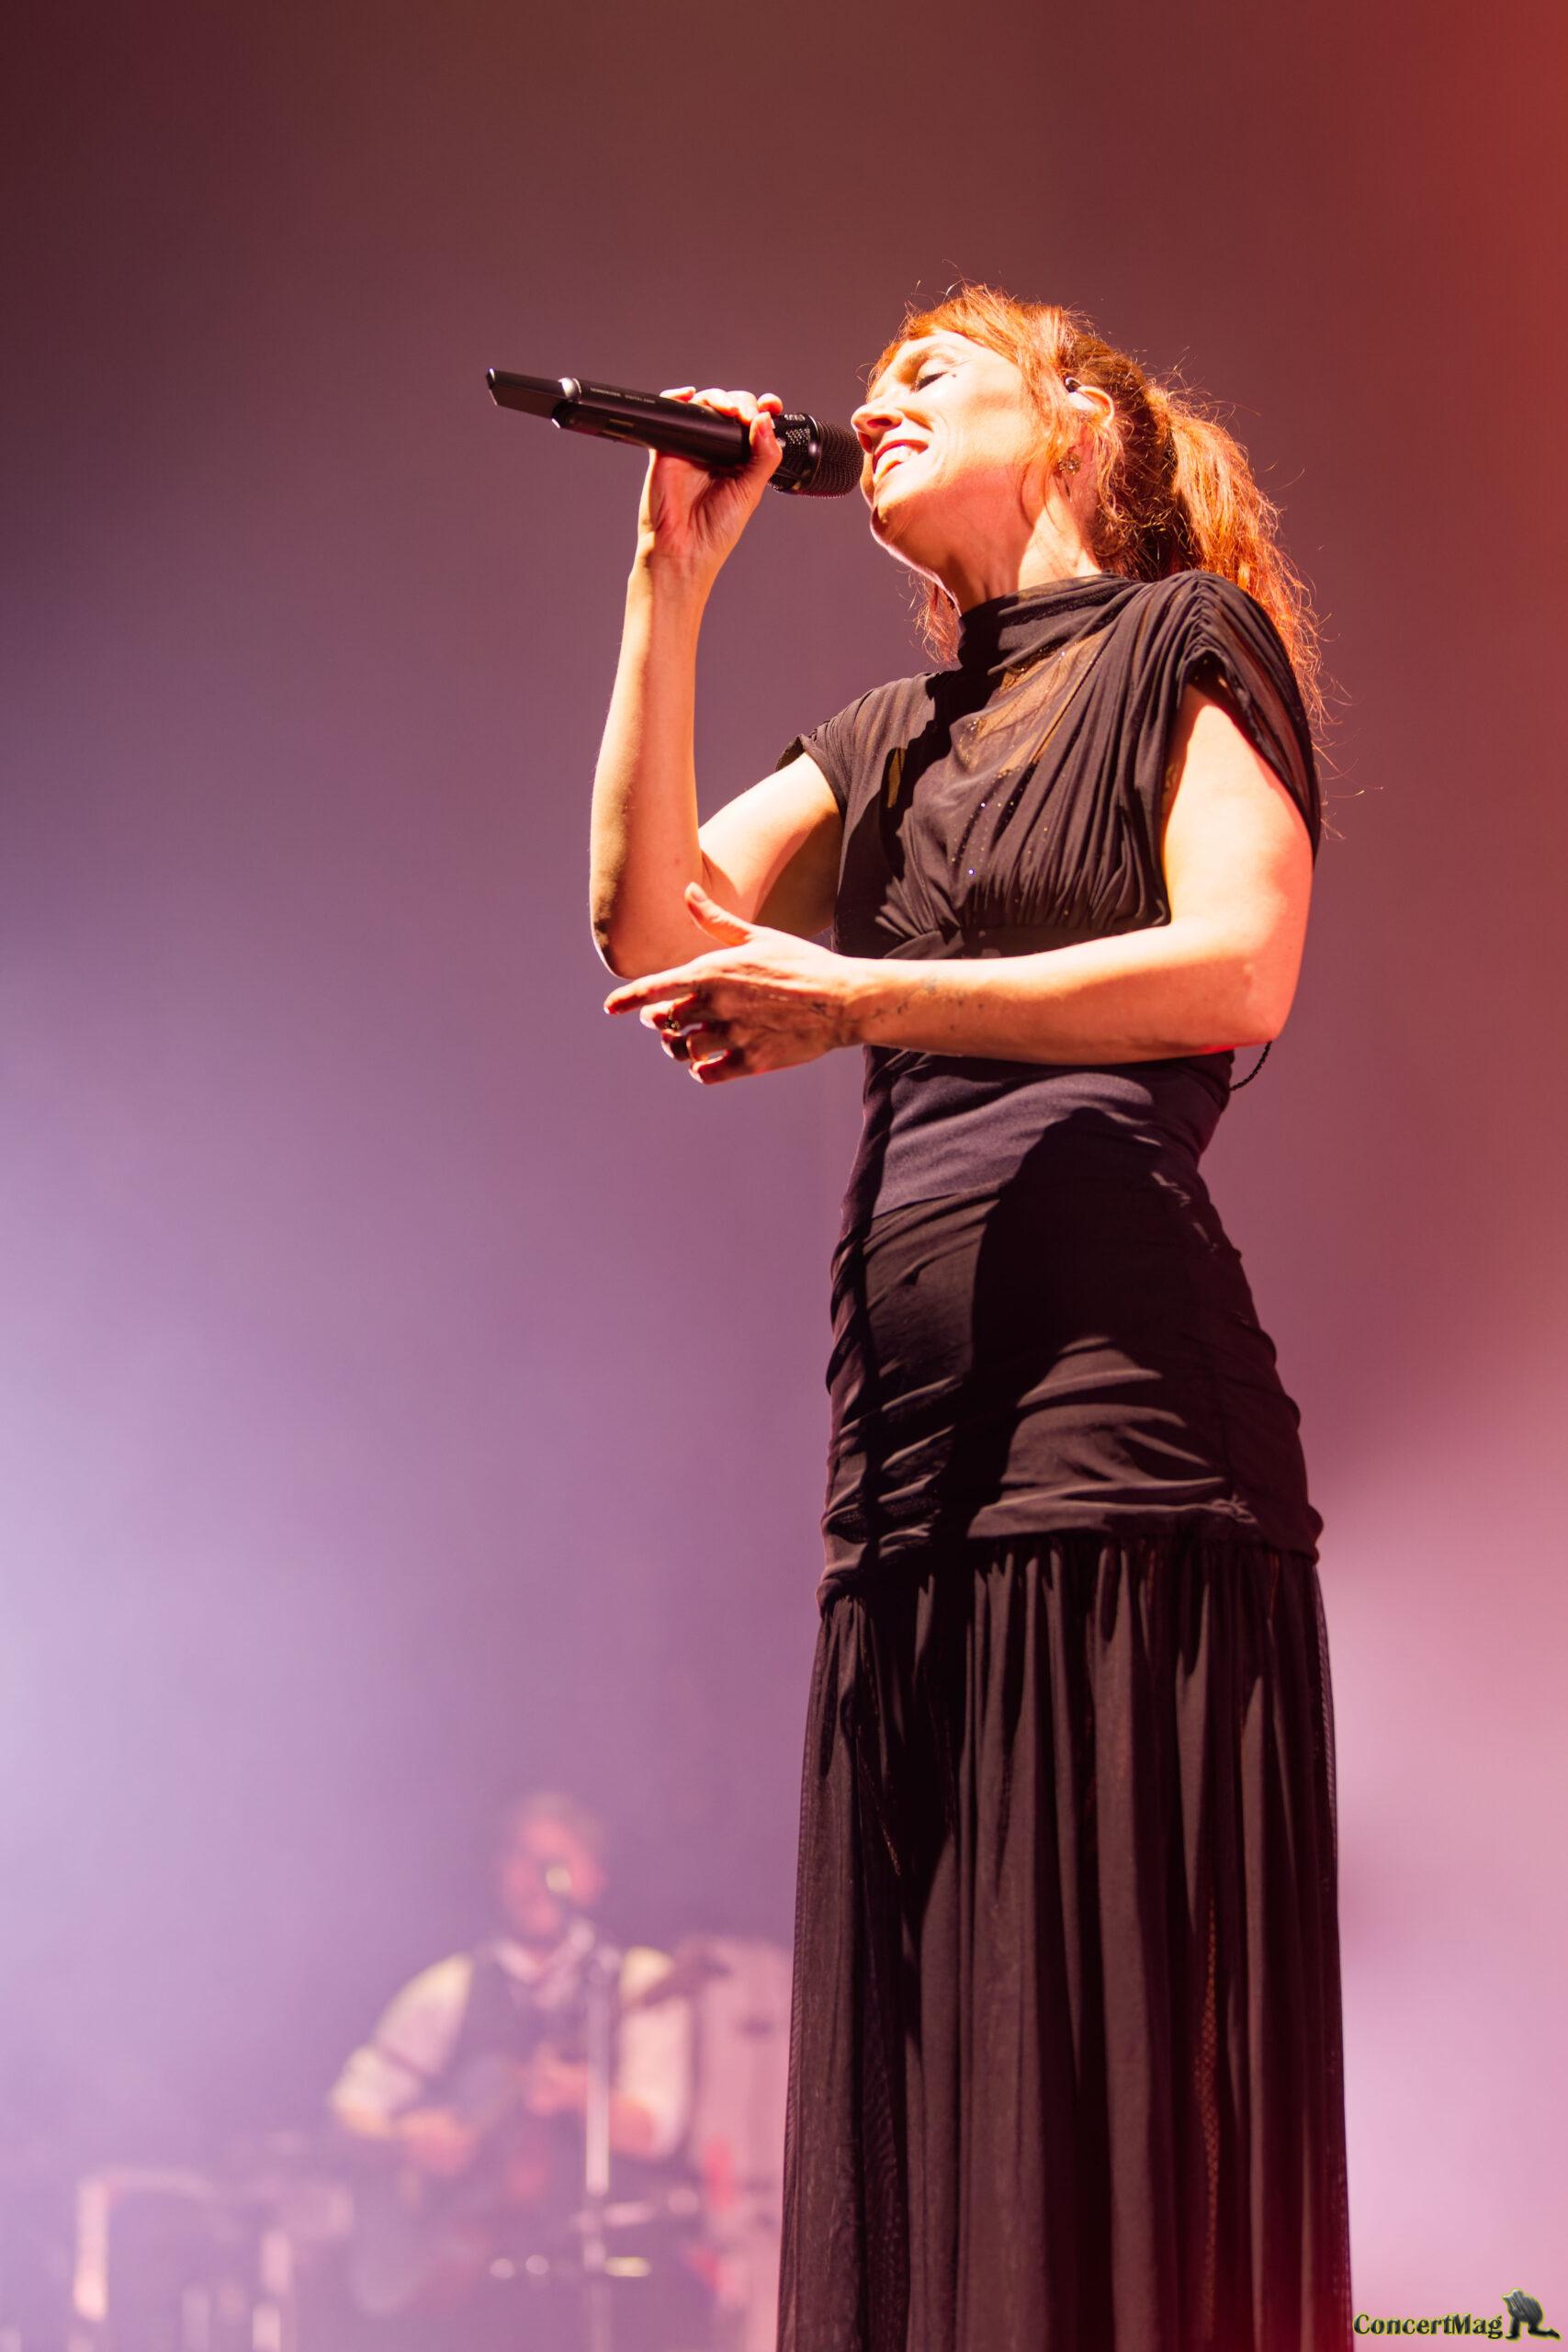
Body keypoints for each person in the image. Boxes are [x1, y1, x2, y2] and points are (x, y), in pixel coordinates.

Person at [591, 283, 1352, 2350]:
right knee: (941, 2111)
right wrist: (671, 581)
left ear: (1076, 423)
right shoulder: (889, 737)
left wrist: (858, 996)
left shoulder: (1180, 642)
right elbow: (648, 921)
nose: (880, 399)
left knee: (1103, 2110)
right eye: (871, 386)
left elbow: (1234, 966)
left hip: (1124, 1468)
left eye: (932, 368)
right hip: (906, 1484)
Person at [327, 1790, 695, 2349]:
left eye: (558, 1861)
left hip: (614, 2292)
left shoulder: (640, 1980)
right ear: (497, 1873)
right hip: (474, 2304)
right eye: (523, 1858)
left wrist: (581, 2096)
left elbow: (656, 2131)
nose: (537, 1879)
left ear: (594, 1878)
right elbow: (347, 2113)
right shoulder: (447, 1991)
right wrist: (405, 2142)